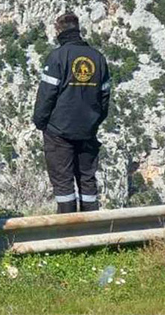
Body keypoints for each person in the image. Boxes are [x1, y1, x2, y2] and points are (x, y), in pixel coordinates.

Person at [33, 12, 111, 213]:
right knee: (87, 180)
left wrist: (41, 122)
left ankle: (68, 232)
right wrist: (93, 122)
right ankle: (92, 231)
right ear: (78, 30)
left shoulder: (57, 57)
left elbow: (46, 95)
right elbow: (104, 98)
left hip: (59, 131)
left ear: (58, 31)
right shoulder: (98, 58)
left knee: (64, 184)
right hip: (88, 130)